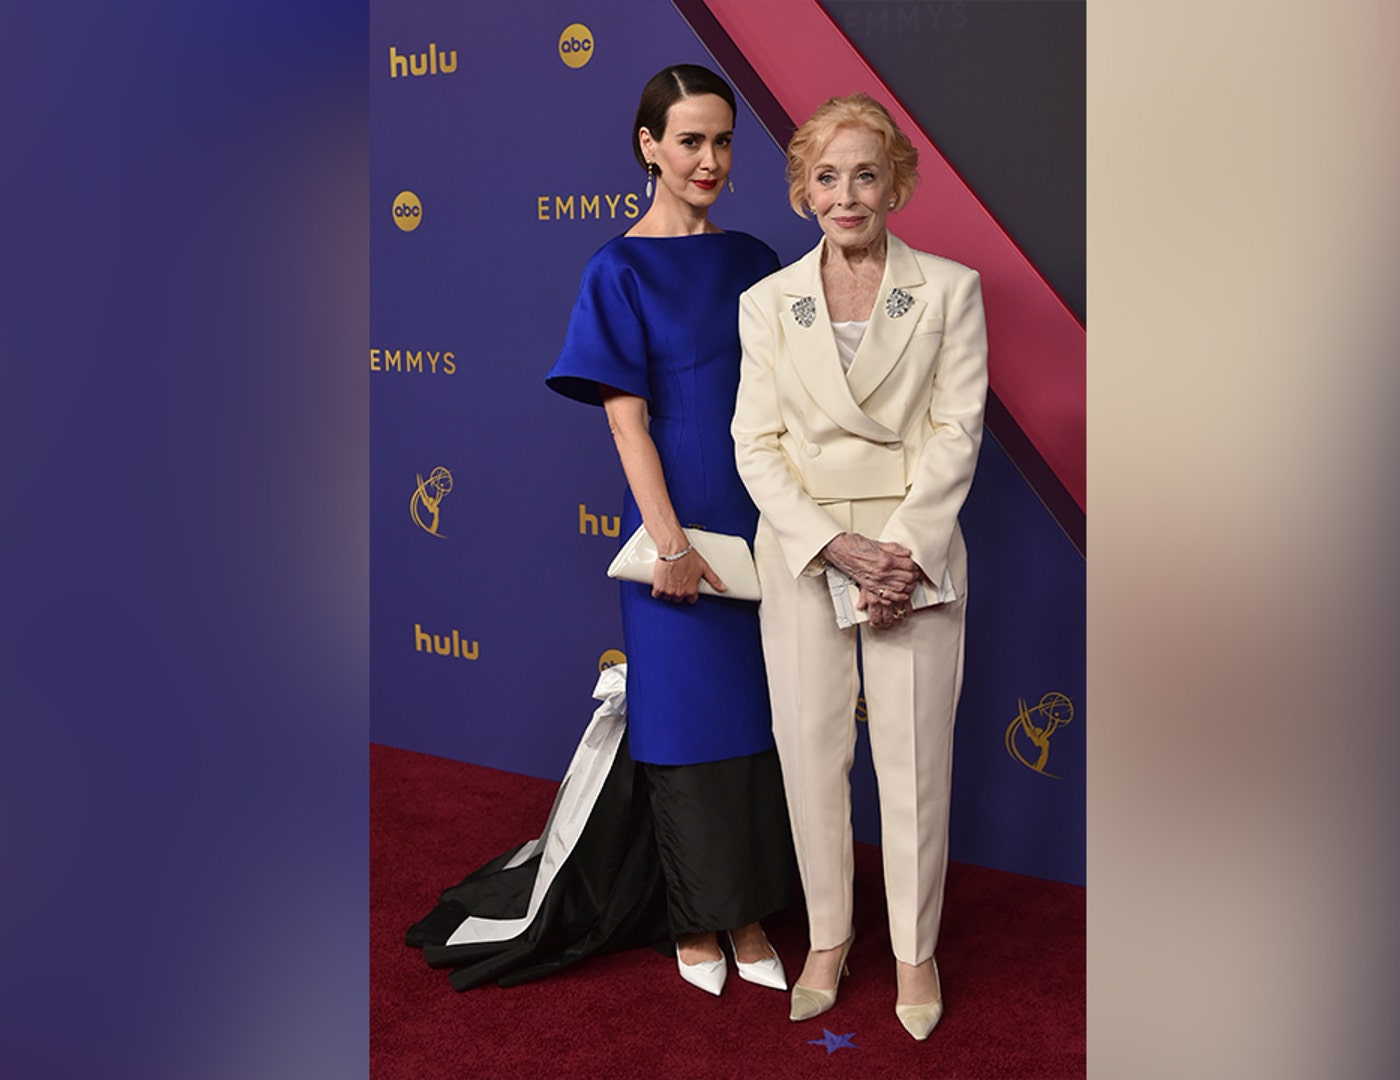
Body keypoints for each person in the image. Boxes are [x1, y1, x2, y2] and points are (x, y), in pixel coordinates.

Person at [407, 64, 796, 997]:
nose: (708, 159)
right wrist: (669, 543)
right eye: (688, 140)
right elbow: (626, 422)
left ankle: (750, 912)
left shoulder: (755, 259)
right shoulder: (616, 268)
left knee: (762, 722)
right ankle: (697, 919)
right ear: (648, 147)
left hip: (767, 517)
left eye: (722, 140)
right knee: (686, 723)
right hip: (675, 525)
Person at [731, 93, 988, 1041]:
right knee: (810, 753)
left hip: (913, 552)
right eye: (827, 177)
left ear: (897, 184)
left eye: (865, 174)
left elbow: (958, 430)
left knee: (915, 763)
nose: (847, 194)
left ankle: (915, 951)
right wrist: (834, 547)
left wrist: (900, 555)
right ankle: (830, 939)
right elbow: (754, 443)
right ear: (803, 190)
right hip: (807, 551)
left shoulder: (951, 289)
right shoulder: (766, 303)